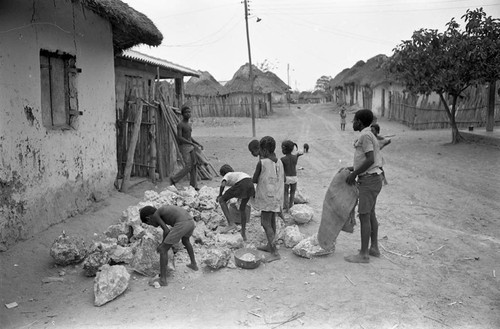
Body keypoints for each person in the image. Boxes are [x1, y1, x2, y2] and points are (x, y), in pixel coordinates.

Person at [345, 109, 383, 264]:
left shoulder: (365, 136)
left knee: (364, 216)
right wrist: (353, 168)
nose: (352, 122)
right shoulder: (369, 134)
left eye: (354, 119)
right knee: (370, 213)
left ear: (359, 121)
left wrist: (354, 174)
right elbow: (367, 161)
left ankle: (363, 254)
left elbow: (369, 159)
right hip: (374, 178)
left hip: (368, 180)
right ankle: (373, 247)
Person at [139, 205, 198, 286]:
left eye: (149, 223)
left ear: (149, 218)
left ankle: (163, 279)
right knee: (186, 241)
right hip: (190, 222)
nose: (152, 225)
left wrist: (163, 244)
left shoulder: (156, 215)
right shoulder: (162, 212)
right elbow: (165, 230)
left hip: (182, 223)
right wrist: (164, 242)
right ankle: (193, 264)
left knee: (163, 250)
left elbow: (167, 230)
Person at [251, 136, 284, 262]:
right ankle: (270, 246)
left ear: (264, 150)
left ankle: (275, 252)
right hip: (276, 196)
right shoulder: (280, 162)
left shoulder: (262, 163)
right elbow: (283, 179)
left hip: (266, 197)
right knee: (271, 221)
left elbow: (254, 179)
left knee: (265, 222)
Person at [217, 164, 255, 240]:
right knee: (242, 208)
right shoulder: (238, 174)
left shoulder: (227, 175)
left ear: (223, 173)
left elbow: (223, 184)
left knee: (222, 200)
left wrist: (220, 195)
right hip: (250, 184)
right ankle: (243, 233)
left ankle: (231, 223)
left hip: (242, 184)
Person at [169, 105, 203, 190]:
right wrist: (191, 143)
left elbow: (189, 137)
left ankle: (193, 186)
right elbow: (179, 137)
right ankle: (174, 179)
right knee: (188, 166)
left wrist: (197, 143)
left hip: (190, 146)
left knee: (194, 165)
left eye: (189, 112)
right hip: (184, 147)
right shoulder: (180, 125)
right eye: (186, 112)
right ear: (182, 114)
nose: (188, 114)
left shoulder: (189, 124)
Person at [280, 140, 303, 212]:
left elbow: (282, 170)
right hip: (294, 177)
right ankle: (291, 206)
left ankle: (286, 208)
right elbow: (300, 153)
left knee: (286, 193)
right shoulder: (295, 157)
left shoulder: (283, 159)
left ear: (284, 149)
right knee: (292, 193)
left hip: (286, 178)